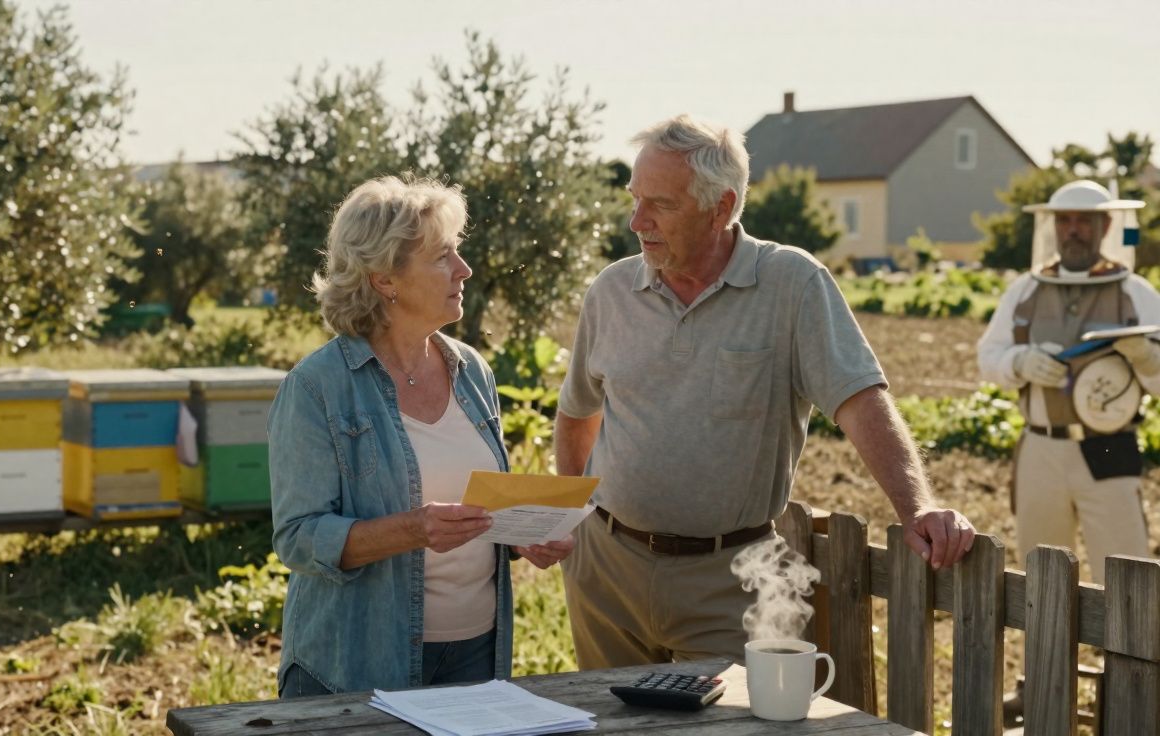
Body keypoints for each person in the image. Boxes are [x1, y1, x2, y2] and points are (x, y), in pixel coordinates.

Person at [555, 114, 976, 669]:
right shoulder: (612, 290)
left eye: (661, 204)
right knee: (610, 726)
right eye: (635, 200)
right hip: (607, 572)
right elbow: (577, 413)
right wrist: (565, 521)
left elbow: (859, 400)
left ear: (722, 208)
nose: (638, 221)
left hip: (731, 581)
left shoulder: (792, 284)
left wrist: (916, 505)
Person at [268, 175, 573, 697]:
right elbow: (297, 538)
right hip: (359, 660)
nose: (464, 269)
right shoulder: (317, 386)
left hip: (478, 651)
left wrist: (522, 534)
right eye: (442, 257)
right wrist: (413, 529)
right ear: (385, 278)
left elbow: (474, 506)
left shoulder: (472, 370)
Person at [977, 179, 1156, 582]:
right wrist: (1019, 361)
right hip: (1040, 446)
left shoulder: (1136, 293)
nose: (1073, 229)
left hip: (1109, 446)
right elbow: (987, 358)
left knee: (1127, 577)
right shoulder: (1024, 290)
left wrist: (1146, 357)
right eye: (1065, 220)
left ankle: (1127, 648)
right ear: (1052, 226)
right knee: (1042, 578)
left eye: (1084, 221)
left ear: (1106, 227)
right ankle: (1049, 648)